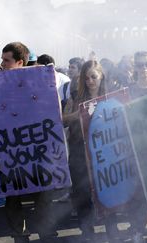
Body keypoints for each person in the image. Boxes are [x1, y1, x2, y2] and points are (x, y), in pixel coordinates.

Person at [0, 42, 59, 243]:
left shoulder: (38, 81)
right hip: (10, 150)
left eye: (6, 60)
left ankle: (46, 233)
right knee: (13, 196)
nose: (2, 64)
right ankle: (19, 234)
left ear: (19, 62)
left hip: (36, 149)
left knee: (43, 195)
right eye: (2, 59)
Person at [62, 60, 107, 242]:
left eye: (93, 77)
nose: (90, 81)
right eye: (86, 78)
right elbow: (63, 119)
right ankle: (86, 231)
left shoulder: (109, 96)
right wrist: (79, 114)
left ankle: (109, 228)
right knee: (82, 192)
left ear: (101, 76)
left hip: (104, 150)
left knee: (105, 187)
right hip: (79, 149)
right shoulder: (76, 97)